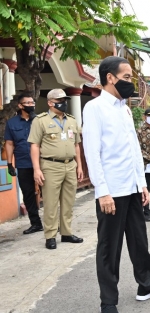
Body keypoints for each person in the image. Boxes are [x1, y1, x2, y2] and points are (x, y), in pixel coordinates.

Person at [83, 56, 150, 313]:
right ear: (111, 77)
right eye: (128, 77)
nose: (131, 82)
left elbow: (132, 150)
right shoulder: (95, 108)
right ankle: (108, 301)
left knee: (139, 240)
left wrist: (142, 184)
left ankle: (148, 284)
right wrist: (102, 192)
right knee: (110, 247)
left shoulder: (125, 109)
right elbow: (92, 153)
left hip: (131, 187)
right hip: (112, 190)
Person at [28, 89, 84, 249]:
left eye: (65, 100)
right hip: (50, 166)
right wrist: (36, 169)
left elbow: (77, 145)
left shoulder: (72, 120)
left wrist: (79, 165)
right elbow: (35, 146)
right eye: (60, 100)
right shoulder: (40, 120)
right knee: (51, 203)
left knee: (68, 201)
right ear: (50, 103)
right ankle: (50, 236)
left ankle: (66, 233)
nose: (64, 103)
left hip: (70, 165)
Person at [4, 92, 44, 235]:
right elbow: (9, 143)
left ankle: (54, 223)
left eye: (32, 103)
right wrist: (9, 163)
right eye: (27, 103)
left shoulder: (40, 120)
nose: (31, 105)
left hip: (43, 162)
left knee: (50, 192)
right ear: (20, 106)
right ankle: (36, 223)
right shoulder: (12, 123)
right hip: (23, 163)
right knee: (28, 194)